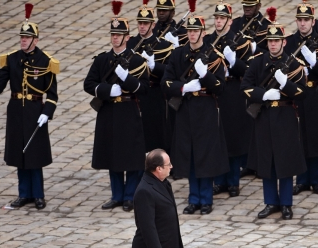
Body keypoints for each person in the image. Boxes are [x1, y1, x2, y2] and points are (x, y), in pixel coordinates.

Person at [0, 4, 59, 210]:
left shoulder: (46, 61)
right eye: (21, 38)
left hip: (36, 111)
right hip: (17, 110)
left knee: (34, 154)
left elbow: (52, 94)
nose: (23, 40)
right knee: (20, 153)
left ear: (35, 40)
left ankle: (38, 194)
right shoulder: (11, 59)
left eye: (27, 38)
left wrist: (47, 113)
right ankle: (23, 193)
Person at [241, 12, 307, 220]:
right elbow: (245, 86)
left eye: (276, 41)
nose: (272, 45)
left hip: (285, 116)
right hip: (265, 115)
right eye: (270, 41)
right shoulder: (257, 62)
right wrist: (263, 95)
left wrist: (285, 84)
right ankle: (271, 202)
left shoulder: (294, 64)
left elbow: (302, 92)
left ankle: (286, 203)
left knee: (285, 161)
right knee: (266, 161)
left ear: (284, 42)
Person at [84, 2, 148, 212]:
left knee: (130, 156)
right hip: (109, 111)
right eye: (113, 34)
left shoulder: (137, 60)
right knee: (112, 154)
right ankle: (117, 195)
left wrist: (125, 78)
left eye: (119, 34)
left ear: (127, 37)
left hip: (128, 111)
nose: (115, 37)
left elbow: (143, 88)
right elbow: (89, 84)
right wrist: (106, 90)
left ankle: (130, 196)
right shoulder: (102, 59)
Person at [161, 13, 228, 215]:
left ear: (203, 33)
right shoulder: (178, 54)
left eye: (195, 31)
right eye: (189, 31)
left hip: (205, 110)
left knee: (204, 155)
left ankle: (206, 199)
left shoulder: (213, 56)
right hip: (186, 108)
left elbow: (220, 87)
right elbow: (166, 82)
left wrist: (205, 75)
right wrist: (184, 88)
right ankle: (194, 198)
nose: (191, 34)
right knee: (189, 154)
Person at [286, 1, 318, 196]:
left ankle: (316, 179)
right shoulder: (289, 42)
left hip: (315, 93)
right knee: (299, 137)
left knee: (316, 137)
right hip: (297, 93)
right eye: (300, 20)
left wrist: (314, 63)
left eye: (306, 20)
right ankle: (301, 179)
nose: (303, 24)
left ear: (313, 21)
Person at [207, 1, 254, 198]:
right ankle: (219, 180)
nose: (218, 22)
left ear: (229, 21)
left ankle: (233, 181)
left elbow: (248, 71)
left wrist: (234, 61)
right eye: (216, 18)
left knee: (233, 135)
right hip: (214, 90)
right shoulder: (208, 40)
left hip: (233, 89)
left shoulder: (239, 41)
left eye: (222, 18)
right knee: (217, 136)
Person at [127, 0, 175, 153]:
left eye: (146, 23)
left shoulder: (163, 45)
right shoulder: (130, 44)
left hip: (154, 94)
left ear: (152, 25)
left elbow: (171, 71)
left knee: (156, 133)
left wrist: (154, 66)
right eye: (140, 23)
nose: (142, 26)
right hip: (134, 93)